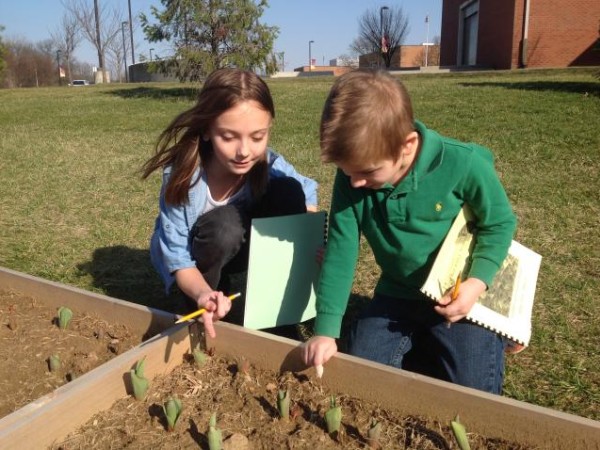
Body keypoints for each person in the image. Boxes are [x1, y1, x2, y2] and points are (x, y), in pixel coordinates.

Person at [301, 69, 516, 394]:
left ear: (407, 145)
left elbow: (499, 224)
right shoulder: (352, 178)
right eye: (347, 172)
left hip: (459, 296)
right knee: (362, 374)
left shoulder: (464, 163)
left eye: (368, 171)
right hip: (397, 293)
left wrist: (476, 283)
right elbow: (341, 251)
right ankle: (429, 344)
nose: (355, 182)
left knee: (475, 392)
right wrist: (326, 329)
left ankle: (488, 335)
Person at [142, 68, 318, 339]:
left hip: (240, 244)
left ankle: (277, 314)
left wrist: (311, 241)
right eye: (228, 137)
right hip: (197, 258)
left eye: (258, 137)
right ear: (206, 131)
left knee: (289, 191)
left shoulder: (268, 164)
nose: (244, 151)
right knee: (224, 227)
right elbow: (178, 259)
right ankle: (200, 305)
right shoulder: (182, 178)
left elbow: (306, 193)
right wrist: (202, 293)